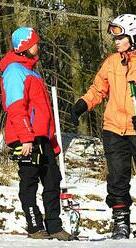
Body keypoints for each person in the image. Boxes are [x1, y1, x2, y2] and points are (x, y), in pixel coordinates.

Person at [71, 14, 136, 240]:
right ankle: (121, 223)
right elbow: (98, 89)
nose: (116, 41)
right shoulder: (111, 62)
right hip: (114, 128)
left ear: (134, 36)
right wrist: (82, 105)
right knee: (117, 178)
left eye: (120, 36)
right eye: (114, 36)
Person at [0, 27, 74, 240]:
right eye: (34, 43)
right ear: (24, 46)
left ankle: (54, 226)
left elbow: (43, 112)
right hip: (26, 138)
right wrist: (25, 137)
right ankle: (34, 226)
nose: (37, 46)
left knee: (52, 180)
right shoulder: (14, 70)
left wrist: (52, 141)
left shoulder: (33, 71)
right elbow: (15, 106)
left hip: (42, 137)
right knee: (29, 181)